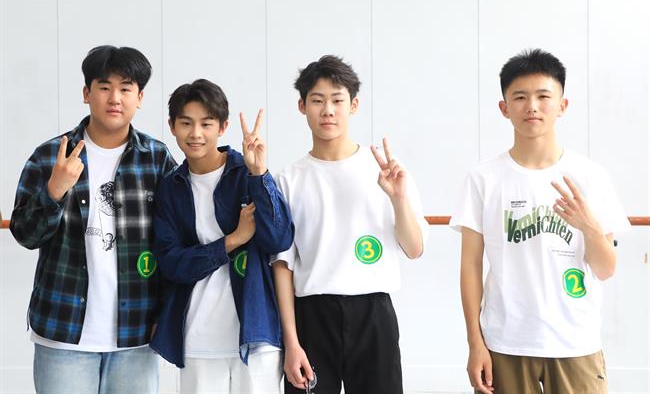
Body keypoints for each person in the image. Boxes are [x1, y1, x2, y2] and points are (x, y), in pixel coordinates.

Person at [451, 48, 631, 394]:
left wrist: (589, 226)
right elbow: (470, 265)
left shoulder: (590, 176)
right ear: (504, 108)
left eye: (543, 96)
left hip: (576, 343)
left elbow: (606, 269)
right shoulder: (483, 178)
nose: (532, 106)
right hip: (504, 342)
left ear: (562, 105)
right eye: (520, 97)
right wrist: (475, 342)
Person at [10, 45, 177, 393]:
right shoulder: (49, 156)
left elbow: (173, 242)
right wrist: (54, 190)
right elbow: (25, 235)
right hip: (63, 332)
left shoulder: (156, 159)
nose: (114, 98)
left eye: (126, 88)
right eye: (104, 87)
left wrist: (167, 314)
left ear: (140, 97)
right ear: (87, 93)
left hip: (137, 333)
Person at [271, 55, 429, 394]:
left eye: (337, 100)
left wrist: (398, 198)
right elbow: (283, 265)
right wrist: (291, 343)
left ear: (353, 105)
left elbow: (415, 248)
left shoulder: (385, 170)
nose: (328, 110)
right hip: (312, 315)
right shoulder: (288, 179)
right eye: (317, 100)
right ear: (302, 106)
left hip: (374, 313)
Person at [149, 79, 294, 393]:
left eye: (206, 124)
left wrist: (259, 175)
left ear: (223, 127)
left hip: (255, 335)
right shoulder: (171, 188)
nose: (196, 133)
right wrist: (232, 240)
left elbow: (280, 239)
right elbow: (172, 263)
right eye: (186, 123)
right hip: (198, 338)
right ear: (172, 126)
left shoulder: (247, 173)